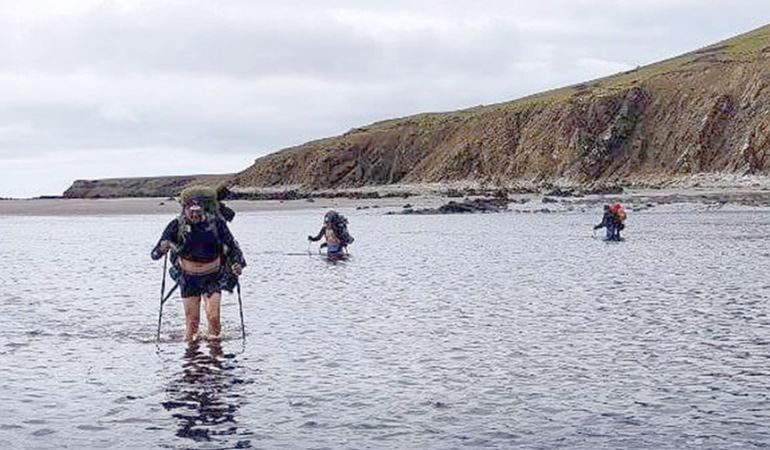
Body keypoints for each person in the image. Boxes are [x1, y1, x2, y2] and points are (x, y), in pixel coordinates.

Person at [151, 187, 246, 341]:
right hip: (188, 279)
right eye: (191, 211)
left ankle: (215, 357)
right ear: (184, 209)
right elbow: (154, 255)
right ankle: (191, 359)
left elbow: (233, 247)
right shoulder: (176, 226)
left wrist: (236, 264)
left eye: (198, 210)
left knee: (214, 318)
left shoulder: (217, 224)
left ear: (204, 209)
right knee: (192, 323)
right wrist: (162, 249)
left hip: (213, 276)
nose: (195, 214)